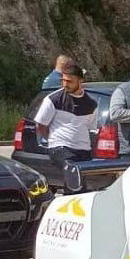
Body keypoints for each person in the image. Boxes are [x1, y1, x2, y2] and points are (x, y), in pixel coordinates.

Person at [35, 61, 97, 191]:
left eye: (69, 81)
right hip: (60, 147)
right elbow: (41, 125)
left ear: (80, 81)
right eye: (63, 80)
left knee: (78, 185)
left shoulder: (91, 104)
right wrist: (52, 139)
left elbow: (90, 128)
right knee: (72, 170)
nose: (65, 84)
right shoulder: (53, 99)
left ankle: (69, 198)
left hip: (83, 149)